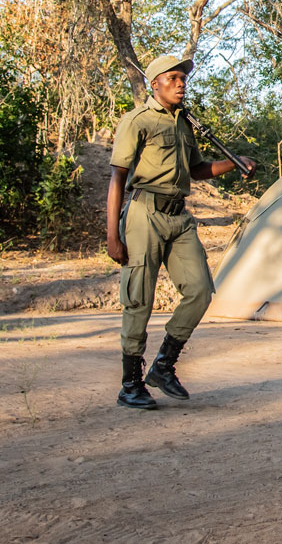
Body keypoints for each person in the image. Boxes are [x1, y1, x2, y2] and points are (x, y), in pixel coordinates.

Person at [106, 54, 256, 410]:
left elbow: (197, 170)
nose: (180, 83)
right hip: (144, 213)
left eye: (183, 78)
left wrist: (234, 165)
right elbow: (117, 178)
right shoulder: (137, 121)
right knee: (139, 299)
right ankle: (130, 384)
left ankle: (163, 365)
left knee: (201, 290)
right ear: (155, 83)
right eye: (172, 78)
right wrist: (113, 235)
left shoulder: (185, 123)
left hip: (179, 215)